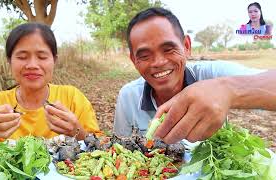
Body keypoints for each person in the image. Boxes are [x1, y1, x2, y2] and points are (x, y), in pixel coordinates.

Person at [113, 7, 276, 144]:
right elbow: (120, 148)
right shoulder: (128, 96)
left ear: (186, 46)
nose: (159, 62)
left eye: (168, 49)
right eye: (144, 55)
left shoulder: (213, 76)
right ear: (134, 60)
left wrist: (228, 90)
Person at [0, 23, 100, 150]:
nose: (32, 65)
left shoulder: (72, 98)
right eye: (22, 57)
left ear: (54, 60)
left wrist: (78, 132)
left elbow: (102, 148)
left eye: (42, 57)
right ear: (9, 61)